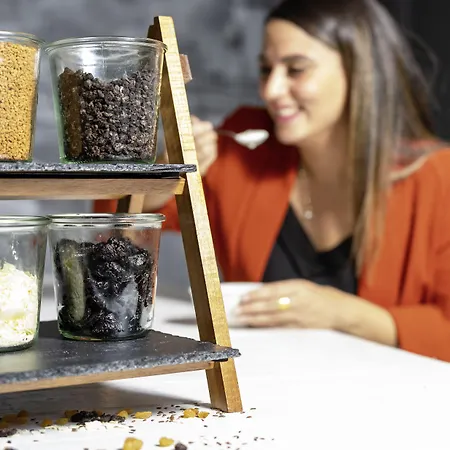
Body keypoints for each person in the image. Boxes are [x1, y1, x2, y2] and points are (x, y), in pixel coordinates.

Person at [95, 0, 450, 362]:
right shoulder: (244, 152)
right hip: (266, 381)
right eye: (266, 69)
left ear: (362, 72)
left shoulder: (439, 179)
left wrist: (342, 314)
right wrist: (161, 174)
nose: (271, 90)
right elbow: (110, 231)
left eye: (296, 70)